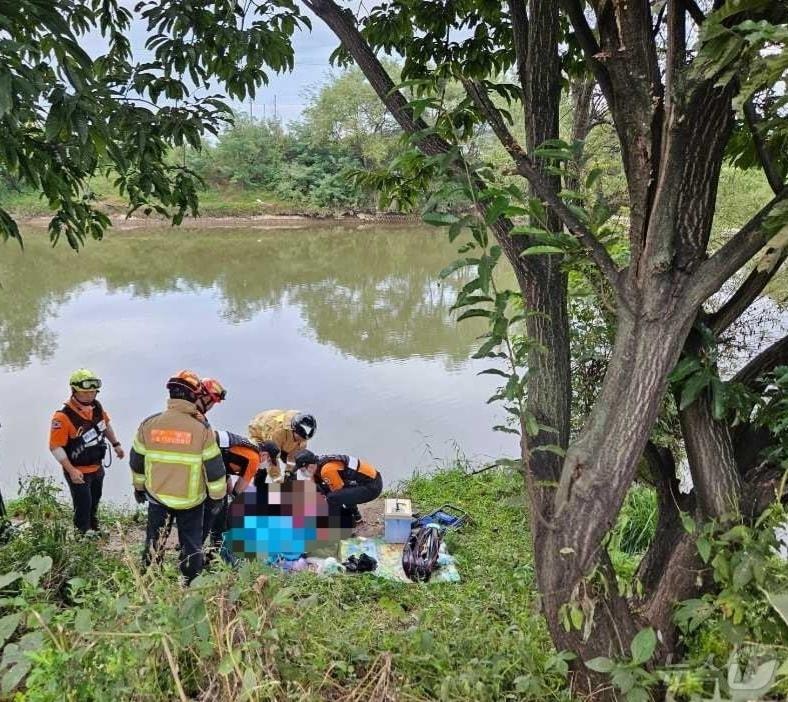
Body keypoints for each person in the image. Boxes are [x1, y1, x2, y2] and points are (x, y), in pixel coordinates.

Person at [129, 370, 227, 583]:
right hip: (191, 501)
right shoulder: (202, 429)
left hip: (158, 496)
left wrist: (138, 488)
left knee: (154, 540)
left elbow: (137, 461)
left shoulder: (149, 424)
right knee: (192, 544)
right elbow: (215, 469)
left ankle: (149, 579)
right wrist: (217, 499)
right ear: (194, 396)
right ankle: (190, 583)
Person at [49, 369, 124, 535]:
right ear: (74, 391)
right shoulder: (62, 417)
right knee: (82, 505)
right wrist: (71, 470)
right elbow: (55, 447)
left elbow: (105, 425)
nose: (90, 396)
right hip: (78, 471)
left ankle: (94, 527)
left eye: (93, 392)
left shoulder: (96, 408)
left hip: (97, 467)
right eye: (85, 393)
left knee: (95, 501)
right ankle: (81, 535)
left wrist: (116, 444)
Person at [204, 432, 279, 551]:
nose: (268, 465)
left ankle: (211, 543)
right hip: (209, 456)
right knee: (221, 510)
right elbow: (238, 491)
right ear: (264, 455)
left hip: (209, 451)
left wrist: (228, 484)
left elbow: (227, 460)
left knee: (222, 500)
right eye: (270, 461)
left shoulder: (250, 448)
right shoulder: (254, 459)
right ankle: (213, 546)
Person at [292, 449, 382, 525]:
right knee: (323, 489)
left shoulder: (326, 470)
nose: (302, 472)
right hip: (365, 482)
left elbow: (340, 494)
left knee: (332, 498)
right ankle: (356, 518)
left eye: (302, 470)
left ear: (310, 466)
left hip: (372, 486)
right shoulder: (319, 464)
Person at [247, 410, 316, 481]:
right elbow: (273, 457)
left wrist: (289, 473)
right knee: (264, 460)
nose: (300, 441)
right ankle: (259, 483)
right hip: (258, 428)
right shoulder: (278, 433)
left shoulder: (303, 439)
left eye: (303, 439)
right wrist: (278, 480)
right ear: (294, 430)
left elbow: (292, 457)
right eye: (298, 438)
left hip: (283, 437)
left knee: (291, 473)